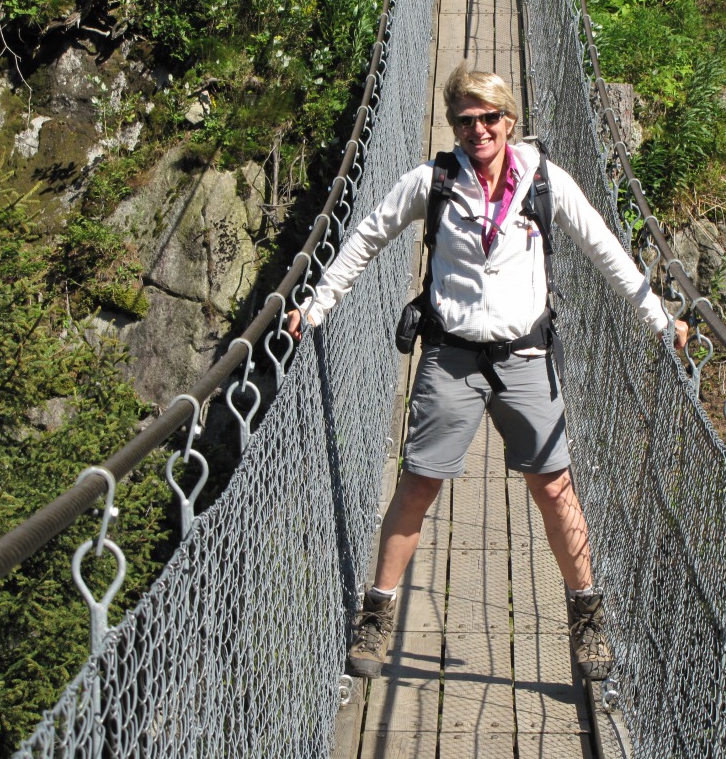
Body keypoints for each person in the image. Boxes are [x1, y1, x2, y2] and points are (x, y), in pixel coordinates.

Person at [287, 62, 689, 681]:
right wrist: (316, 306)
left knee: (554, 487)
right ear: (452, 125)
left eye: (489, 118)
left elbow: (605, 249)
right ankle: (376, 614)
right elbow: (367, 237)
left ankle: (587, 618)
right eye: (465, 120)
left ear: (509, 120)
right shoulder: (434, 180)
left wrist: (659, 319)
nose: (478, 130)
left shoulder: (545, 180)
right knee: (418, 483)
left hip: (525, 357)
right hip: (452, 357)